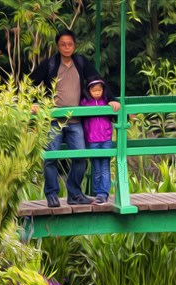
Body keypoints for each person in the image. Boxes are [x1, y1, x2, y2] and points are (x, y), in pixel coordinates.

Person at [29, 29, 99, 208]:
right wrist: (33, 102)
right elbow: (30, 83)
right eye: (63, 44)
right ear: (57, 46)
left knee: (81, 158)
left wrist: (113, 101)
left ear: (74, 45)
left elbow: (97, 82)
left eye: (70, 44)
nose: (66, 47)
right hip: (54, 120)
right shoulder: (50, 64)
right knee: (51, 158)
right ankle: (51, 194)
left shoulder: (81, 62)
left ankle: (74, 194)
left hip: (75, 121)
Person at [80, 77, 121, 204]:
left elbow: (117, 109)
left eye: (100, 90)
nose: (97, 93)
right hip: (92, 140)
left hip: (106, 139)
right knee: (96, 168)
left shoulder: (106, 102)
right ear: (89, 90)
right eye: (94, 90)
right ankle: (97, 192)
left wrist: (114, 103)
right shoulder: (84, 103)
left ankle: (103, 194)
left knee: (105, 167)